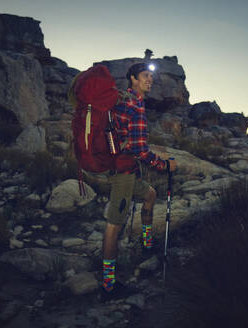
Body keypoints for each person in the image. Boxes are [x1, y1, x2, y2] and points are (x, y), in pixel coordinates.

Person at [83, 62, 177, 300]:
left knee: (150, 195)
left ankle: (146, 243)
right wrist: (165, 165)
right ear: (133, 78)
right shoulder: (134, 105)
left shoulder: (127, 101)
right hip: (122, 173)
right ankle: (108, 285)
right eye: (145, 76)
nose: (150, 80)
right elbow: (141, 150)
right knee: (114, 225)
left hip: (125, 169)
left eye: (151, 76)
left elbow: (127, 140)